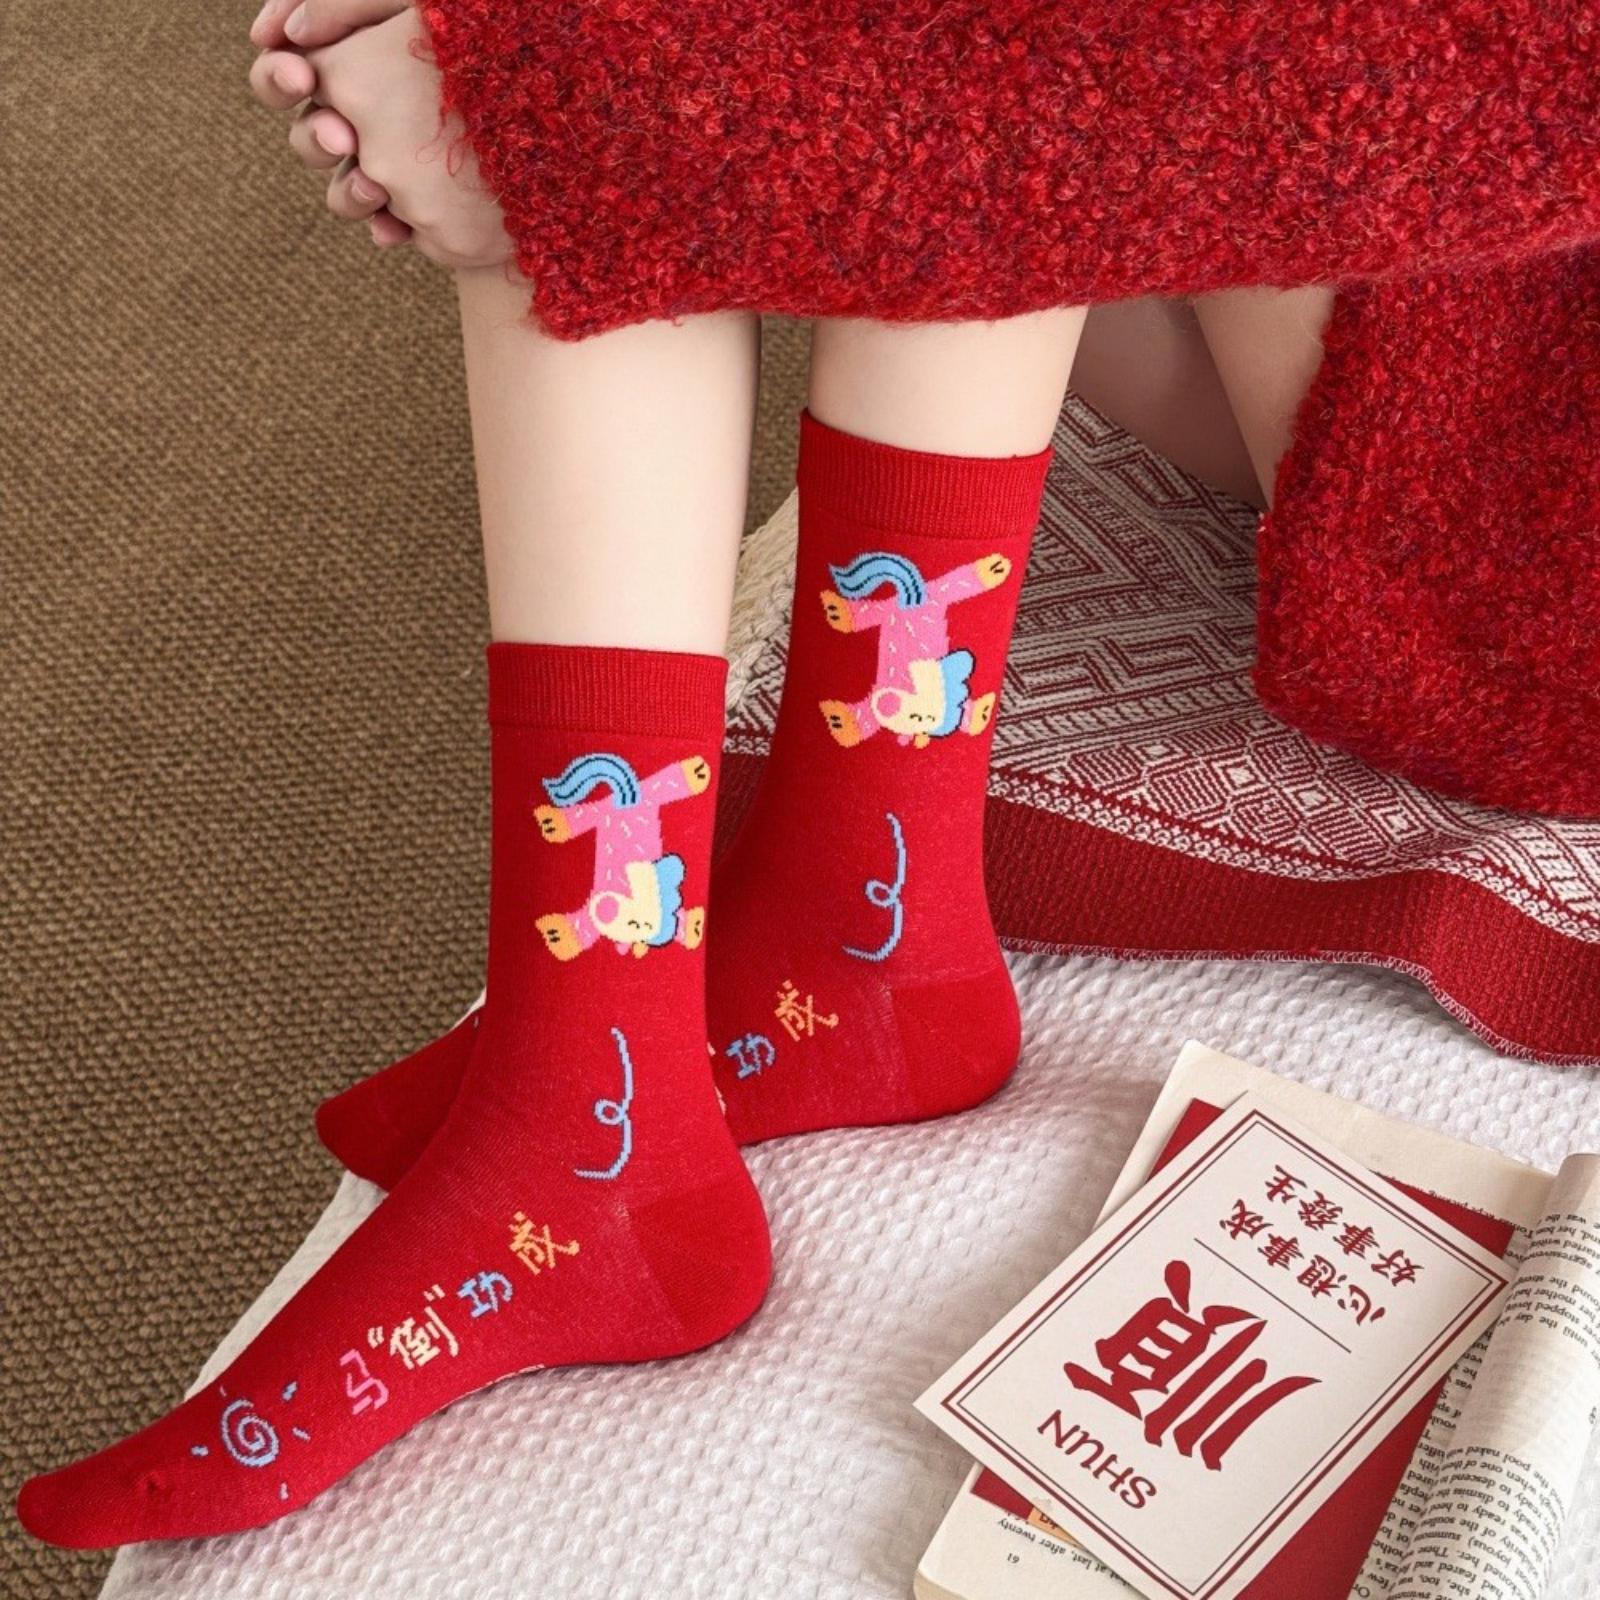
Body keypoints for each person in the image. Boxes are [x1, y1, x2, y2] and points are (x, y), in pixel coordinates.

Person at [23, 0, 1563, 1549]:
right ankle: (835, 945)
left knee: (643, 78)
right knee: (727, 71)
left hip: (1534, 478)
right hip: (1441, 289)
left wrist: (528, 82)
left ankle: (599, 1109)